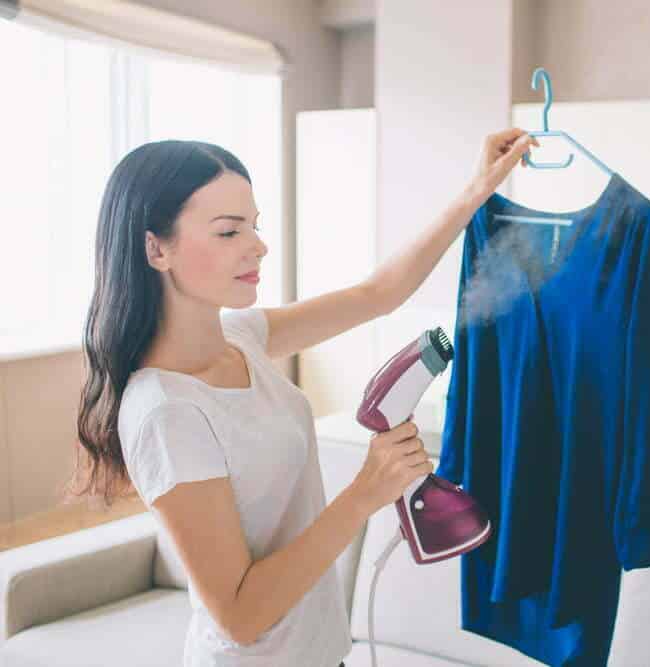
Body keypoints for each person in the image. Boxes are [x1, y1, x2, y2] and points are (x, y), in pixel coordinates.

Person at [71, 129, 539, 666]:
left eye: (254, 226)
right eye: (228, 232)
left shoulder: (242, 337)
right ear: (156, 248)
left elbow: (378, 293)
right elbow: (240, 615)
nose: (258, 246)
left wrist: (477, 188)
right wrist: (365, 492)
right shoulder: (166, 412)